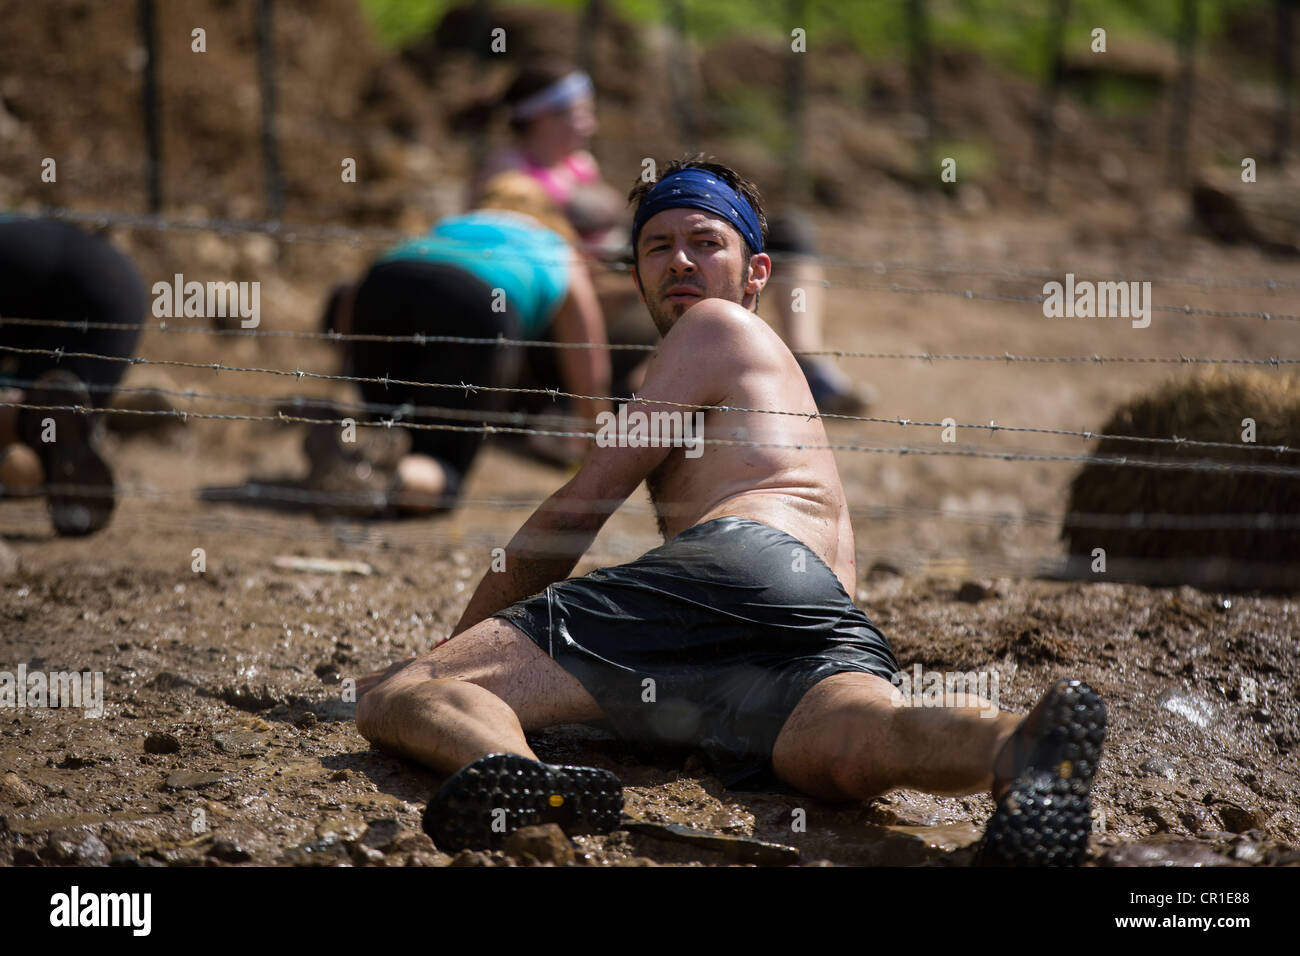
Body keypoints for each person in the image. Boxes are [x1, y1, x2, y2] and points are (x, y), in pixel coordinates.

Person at [353, 158, 1106, 866]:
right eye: (657, 246)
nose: (679, 261)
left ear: (757, 272)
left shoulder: (713, 328)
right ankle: (1017, 747)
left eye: (704, 242)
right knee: (856, 745)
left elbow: (576, 510)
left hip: (734, 567)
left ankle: (516, 777)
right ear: (636, 271)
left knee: (401, 695)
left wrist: (453, 658)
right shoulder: (755, 365)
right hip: (814, 612)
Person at [305, 172, 611, 514]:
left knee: (391, 429)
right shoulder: (557, 246)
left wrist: (349, 363)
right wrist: (596, 446)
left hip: (382, 284)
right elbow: (589, 362)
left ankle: (352, 456)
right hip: (478, 300)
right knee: (443, 467)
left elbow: (351, 295)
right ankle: (379, 481)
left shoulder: (452, 224)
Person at [0, 218, 146, 535]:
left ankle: (41, 448)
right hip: (119, 287)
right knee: (56, 407)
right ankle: (55, 456)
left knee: (36, 411)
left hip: (86, 294)